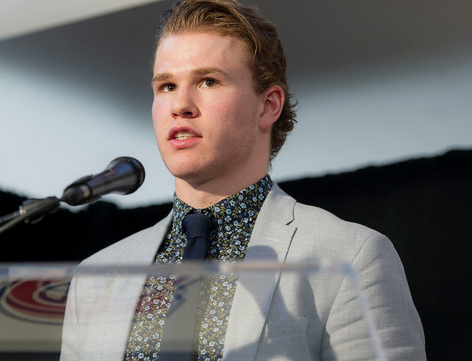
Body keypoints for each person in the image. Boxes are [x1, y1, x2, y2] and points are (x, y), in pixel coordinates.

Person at [60, 0, 426, 360]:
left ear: (268, 105)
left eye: (208, 80)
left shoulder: (351, 257)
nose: (180, 104)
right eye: (167, 86)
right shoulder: (95, 277)